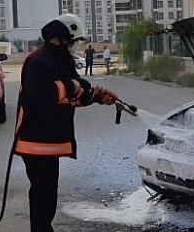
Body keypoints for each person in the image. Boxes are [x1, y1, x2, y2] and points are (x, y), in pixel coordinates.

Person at [14, 13, 118, 232]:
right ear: (61, 37)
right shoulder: (37, 60)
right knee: (43, 195)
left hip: (50, 141)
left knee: (48, 193)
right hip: (35, 141)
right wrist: (70, 84)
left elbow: (71, 98)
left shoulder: (62, 60)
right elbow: (39, 96)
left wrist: (97, 97)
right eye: (72, 40)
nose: (74, 45)